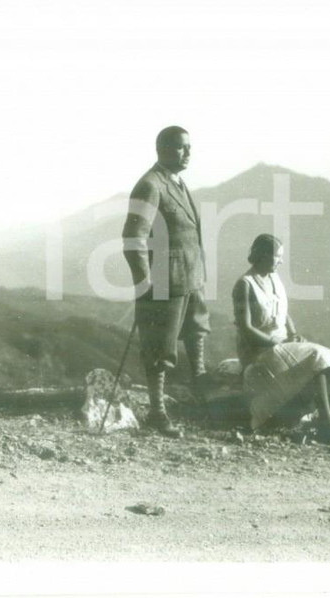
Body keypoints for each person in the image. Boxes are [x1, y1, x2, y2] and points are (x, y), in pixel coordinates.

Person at [121, 126, 211, 437]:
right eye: (179, 147)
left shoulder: (179, 183)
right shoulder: (149, 185)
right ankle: (157, 412)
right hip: (164, 282)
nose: (187, 153)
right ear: (161, 149)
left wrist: (199, 275)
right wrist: (145, 281)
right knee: (160, 350)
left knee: (197, 332)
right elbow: (133, 238)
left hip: (191, 278)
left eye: (189, 147)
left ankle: (203, 396)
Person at [232, 234, 330, 446]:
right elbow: (246, 328)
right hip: (259, 353)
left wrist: (293, 332)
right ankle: (329, 425)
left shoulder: (274, 279)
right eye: (277, 256)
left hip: (281, 346)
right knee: (316, 356)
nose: (281, 261)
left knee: (324, 357)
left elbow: (283, 313)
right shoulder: (245, 285)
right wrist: (276, 343)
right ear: (262, 256)